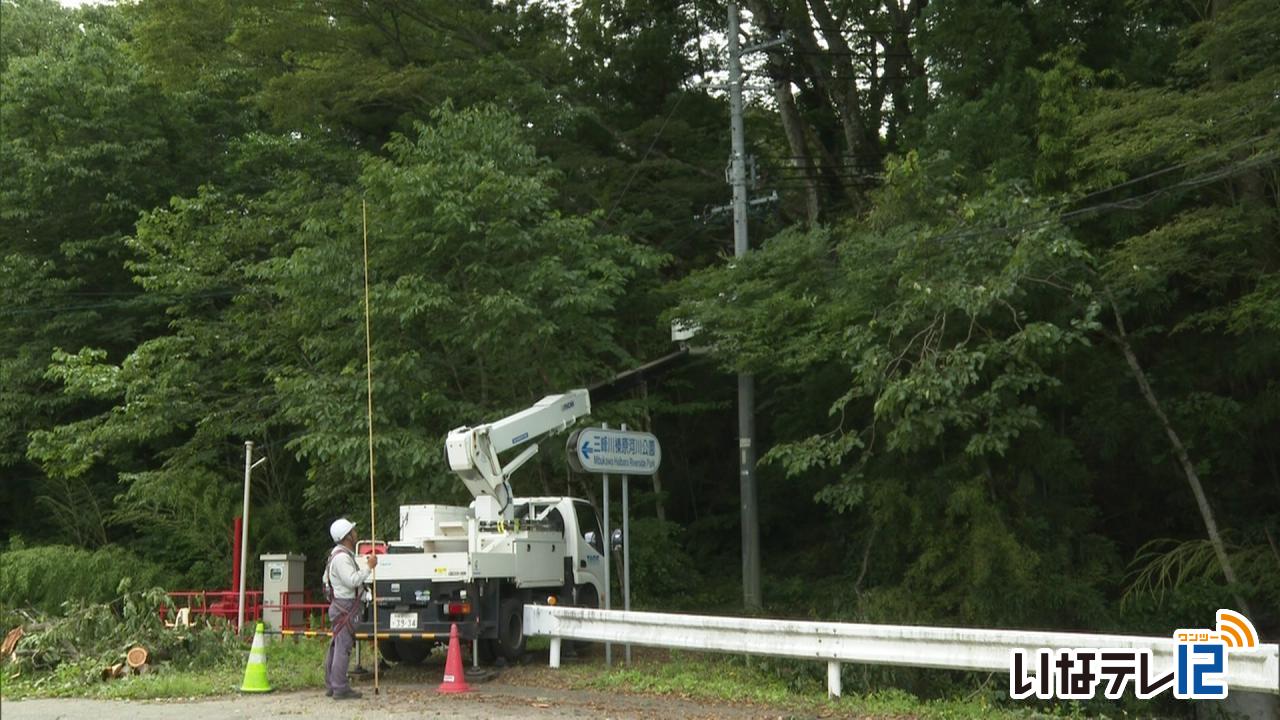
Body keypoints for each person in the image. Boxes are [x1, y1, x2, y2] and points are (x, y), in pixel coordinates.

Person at [322, 517, 377, 700]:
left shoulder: (336, 555)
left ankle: (332, 684)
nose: (356, 534)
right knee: (342, 647)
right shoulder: (342, 558)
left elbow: (326, 580)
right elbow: (352, 580)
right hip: (345, 606)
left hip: (340, 605)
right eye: (352, 532)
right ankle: (340, 687)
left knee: (337, 646)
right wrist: (368, 568)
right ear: (347, 536)